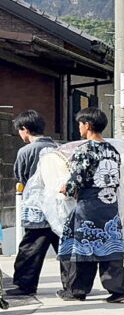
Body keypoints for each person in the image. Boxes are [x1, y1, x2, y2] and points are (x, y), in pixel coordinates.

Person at [57, 108, 124, 303]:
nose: (79, 128)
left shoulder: (85, 150)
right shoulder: (113, 151)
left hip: (88, 205)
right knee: (110, 246)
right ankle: (117, 290)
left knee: (83, 246)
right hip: (109, 204)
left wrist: (66, 187)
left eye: (80, 124)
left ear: (87, 125)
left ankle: (77, 290)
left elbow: (76, 179)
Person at [7, 110, 59, 296]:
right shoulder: (57, 148)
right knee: (65, 248)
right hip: (59, 207)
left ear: (25, 128)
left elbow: (21, 176)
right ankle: (74, 286)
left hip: (37, 207)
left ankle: (25, 285)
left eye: (19, 130)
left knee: (30, 247)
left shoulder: (25, 151)